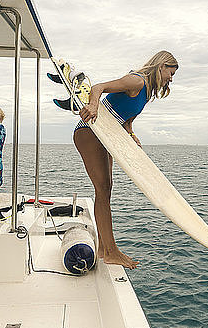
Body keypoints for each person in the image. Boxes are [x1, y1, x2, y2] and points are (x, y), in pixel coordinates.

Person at [74, 50, 179, 269]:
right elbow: (98, 88)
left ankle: (104, 248)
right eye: (170, 73)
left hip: (108, 136)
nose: (171, 78)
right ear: (160, 66)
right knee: (103, 190)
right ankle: (111, 252)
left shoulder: (147, 92)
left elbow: (126, 119)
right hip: (90, 130)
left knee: (106, 190)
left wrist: (131, 135)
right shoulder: (137, 81)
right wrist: (93, 106)